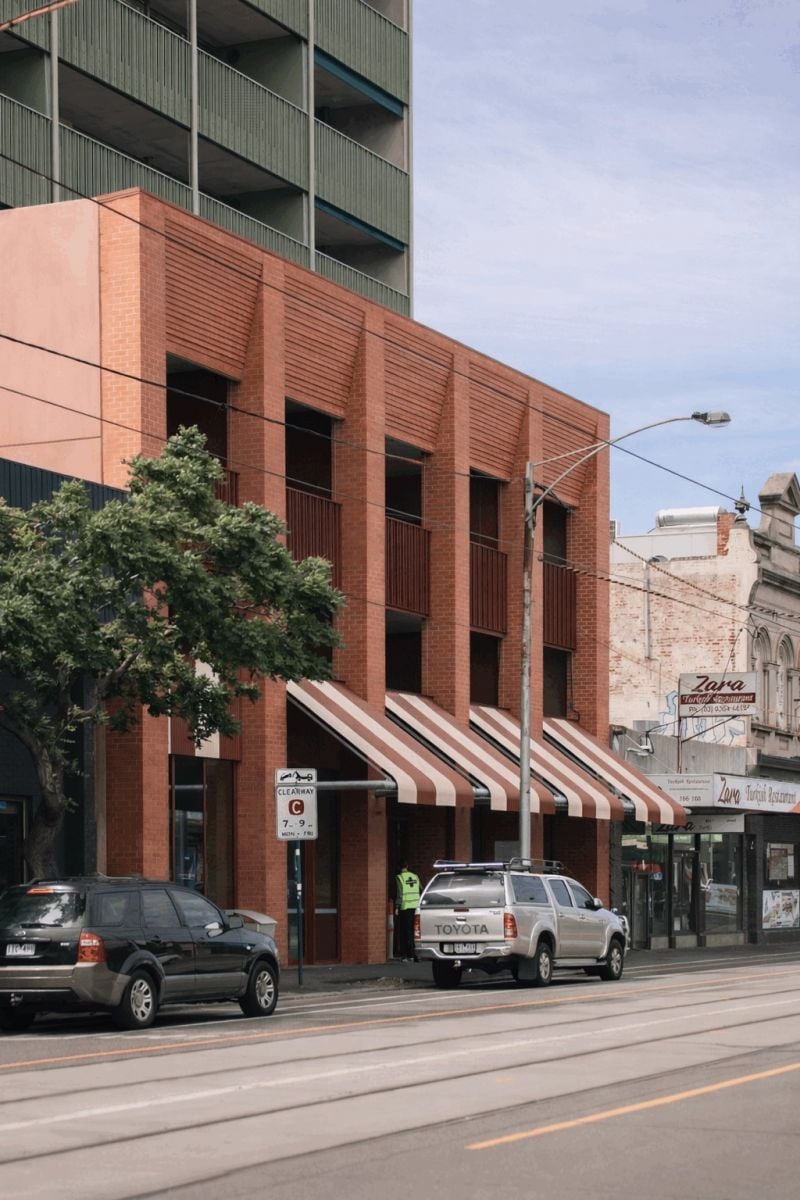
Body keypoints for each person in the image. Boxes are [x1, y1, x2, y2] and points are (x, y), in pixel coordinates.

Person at [395, 861, 421, 961]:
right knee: (415, 931)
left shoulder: (399, 877)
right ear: (407, 866)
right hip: (416, 907)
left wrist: (397, 906)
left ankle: (406, 955)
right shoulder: (415, 876)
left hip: (405, 907)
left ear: (399, 868)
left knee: (405, 932)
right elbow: (421, 889)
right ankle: (415, 955)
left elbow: (400, 893)